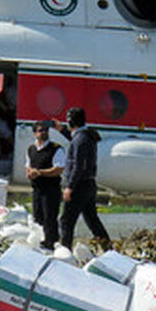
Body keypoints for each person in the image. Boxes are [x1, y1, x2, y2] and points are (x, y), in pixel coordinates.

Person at [58, 106, 111, 250]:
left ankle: (65, 250)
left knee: (66, 220)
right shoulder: (86, 136)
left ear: (70, 122)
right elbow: (76, 140)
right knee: (92, 220)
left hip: (79, 185)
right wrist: (61, 130)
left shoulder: (80, 139)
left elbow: (78, 166)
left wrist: (70, 187)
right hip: (88, 184)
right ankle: (108, 249)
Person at [26, 119, 65, 251]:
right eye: (40, 131)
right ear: (34, 133)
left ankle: (51, 243)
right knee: (38, 216)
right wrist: (31, 173)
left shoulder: (55, 148)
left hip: (51, 189)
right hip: (37, 189)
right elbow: (28, 166)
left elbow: (58, 169)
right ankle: (40, 243)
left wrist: (40, 173)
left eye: (46, 130)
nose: (44, 133)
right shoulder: (31, 149)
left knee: (50, 217)